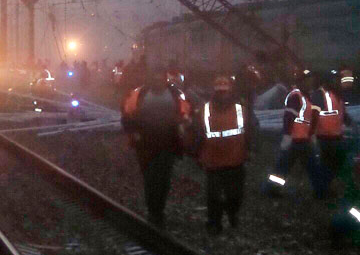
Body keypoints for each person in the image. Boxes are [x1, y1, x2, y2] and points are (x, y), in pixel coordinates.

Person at [121, 65, 191, 228]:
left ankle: (158, 210)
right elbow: (126, 115)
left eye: (160, 75)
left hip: (168, 144)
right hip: (145, 144)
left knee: (164, 179)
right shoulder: (139, 93)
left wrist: (184, 124)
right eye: (155, 75)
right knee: (150, 178)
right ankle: (153, 210)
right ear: (150, 77)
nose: (158, 79)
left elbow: (186, 113)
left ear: (165, 77)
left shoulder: (175, 94)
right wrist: (133, 131)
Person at [194, 76, 252, 234]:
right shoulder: (204, 110)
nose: (222, 95)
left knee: (235, 196)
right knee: (213, 196)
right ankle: (214, 223)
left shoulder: (241, 109)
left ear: (230, 91)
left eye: (224, 91)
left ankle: (232, 213)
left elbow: (251, 130)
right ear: (214, 92)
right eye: (219, 92)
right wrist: (197, 155)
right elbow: (197, 133)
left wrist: (251, 150)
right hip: (213, 161)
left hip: (236, 159)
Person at [265, 69, 322, 198]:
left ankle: (272, 190)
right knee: (290, 167)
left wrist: (310, 134)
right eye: (307, 80)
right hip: (295, 139)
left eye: (310, 80)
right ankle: (320, 191)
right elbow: (289, 116)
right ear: (302, 82)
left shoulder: (306, 96)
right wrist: (287, 135)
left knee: (290, 166)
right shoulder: (296, 96)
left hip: (302, 139)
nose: (310, 83)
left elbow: (308, 119)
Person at [311, 70, 357, 198]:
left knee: (334, 163)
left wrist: (351, 124)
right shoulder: (319, 95)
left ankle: (323, 188)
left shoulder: (336, 95)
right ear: (327, 81)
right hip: (324, 137)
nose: (337, 82)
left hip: (336, 136)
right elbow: (314, 115)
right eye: (334, 80)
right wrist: (312, 135)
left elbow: (341, 114)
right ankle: (322, 190)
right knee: (328, 164)